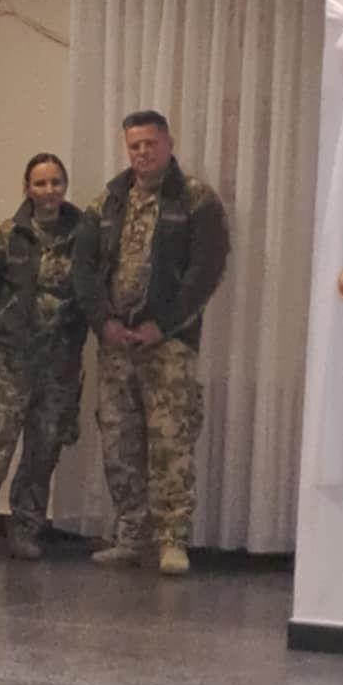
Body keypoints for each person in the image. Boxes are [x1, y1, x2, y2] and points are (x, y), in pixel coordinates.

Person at [72, 110, 230, 576]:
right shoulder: (108, 202)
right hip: (115, 344)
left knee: (170, 440)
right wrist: (103, 322)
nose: (142, 152)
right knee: (118, 441)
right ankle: (130, 536)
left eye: (150, 144)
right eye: (135, 145)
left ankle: (172, 541)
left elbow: (205, 272)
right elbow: (83, 270)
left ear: (168, 143)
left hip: (168, 343)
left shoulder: (196, 200)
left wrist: (163, 324)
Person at [0, 153, 87, 561]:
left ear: (65, 186)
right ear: (27, 188)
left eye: (56, 182)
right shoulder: (2, 239)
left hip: (59, 365)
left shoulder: (84, 237)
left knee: (43, 453)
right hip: (11, 361)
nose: (49, 191)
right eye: (40, 183)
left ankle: (25, 529)